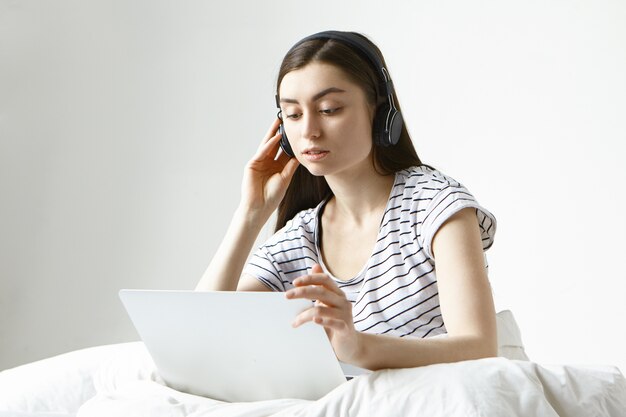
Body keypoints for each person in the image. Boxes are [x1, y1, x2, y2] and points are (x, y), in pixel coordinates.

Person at [196, 30, 498, 371]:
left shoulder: (435, 206)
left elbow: (481, 347)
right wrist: (250, 215)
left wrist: (356, 347)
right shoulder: (299, 238)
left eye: (329, 109)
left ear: (380, 114)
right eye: (292, 115)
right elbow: (201, 337)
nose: (309, 130)